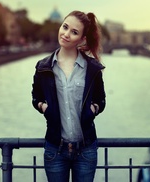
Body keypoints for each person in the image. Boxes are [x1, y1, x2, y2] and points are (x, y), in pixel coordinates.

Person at [31, 10, 106, 182]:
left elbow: (100, 99)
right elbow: (36, 96)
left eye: (74, 32)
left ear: (82, 39)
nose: (66, 34)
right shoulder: (43, 67)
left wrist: (94, 109)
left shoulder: (93, 69)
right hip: (55, 149)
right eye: (65, 27)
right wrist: (43, 107)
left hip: (86, 150)